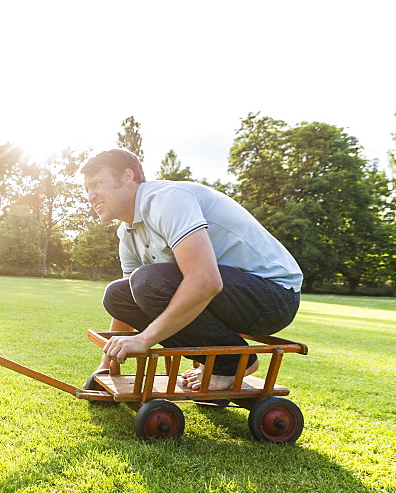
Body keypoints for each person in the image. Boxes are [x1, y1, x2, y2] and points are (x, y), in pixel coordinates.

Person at [82, 149, 302, 391]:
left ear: (127, 176)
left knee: (148, 281)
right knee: (118, 295)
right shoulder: (127, 232)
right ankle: (222, 359)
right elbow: (128, 299)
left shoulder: (167, 201)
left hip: (273, 297)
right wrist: (107, 366)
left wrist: (144, 339)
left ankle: (231, 362)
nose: (91, 196)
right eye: (87, 189)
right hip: (230, 299)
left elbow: (205, 281)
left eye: (97, 184)